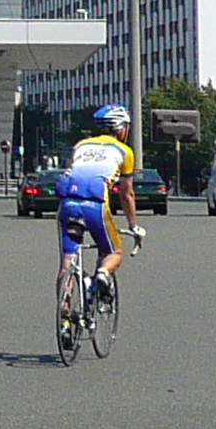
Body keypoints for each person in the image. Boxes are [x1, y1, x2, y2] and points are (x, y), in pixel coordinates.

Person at [58, 106, 144, 303]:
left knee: (67, 261)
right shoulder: (125, 151)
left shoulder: (81, 145)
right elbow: (126, 194)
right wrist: (134, 226)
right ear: (120, 128)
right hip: (95, 205)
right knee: (115, 252)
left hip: (68, 203)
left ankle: (64, 310)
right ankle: (103, 273)